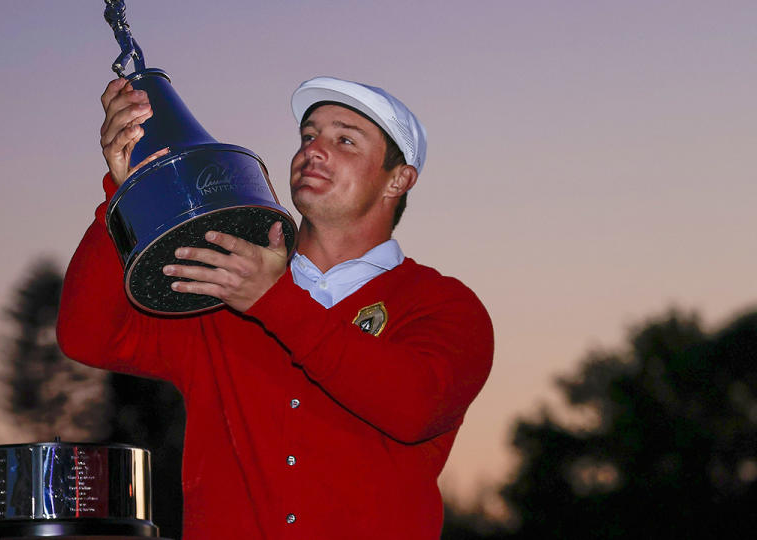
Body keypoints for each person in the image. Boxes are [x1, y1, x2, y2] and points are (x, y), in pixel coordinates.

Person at [57, 75, 494, 539]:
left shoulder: (445, 305)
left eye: (345, 139)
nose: (314, 149)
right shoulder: (221, 287)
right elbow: (88, 335)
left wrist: (273, 301)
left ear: (399, 179)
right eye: (308, 136)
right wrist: (127, 193)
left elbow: (415, 407)